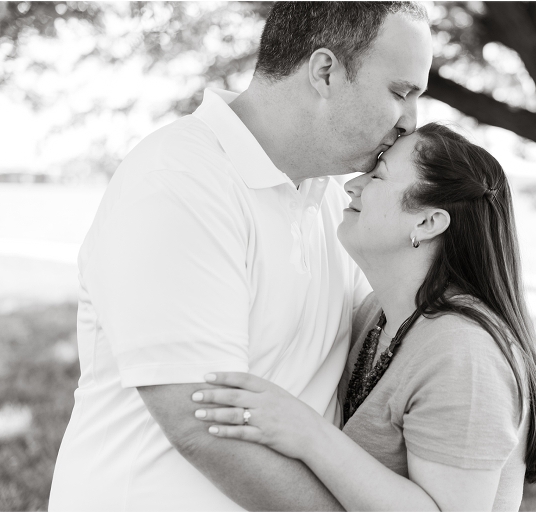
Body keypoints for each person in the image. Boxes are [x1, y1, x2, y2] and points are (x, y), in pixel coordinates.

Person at [48, 3, 432, 511]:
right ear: (325, 72)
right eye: (401, 93)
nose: (411, 121)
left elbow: (399, 338)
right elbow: (205, 428)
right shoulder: (179, 180)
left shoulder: (336, 202)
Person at [191, 123, 536, 511]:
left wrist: (307, 433)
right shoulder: (378, 315)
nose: (352, 185)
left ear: (427, 223)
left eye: (377, 176)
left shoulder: (464, 355)